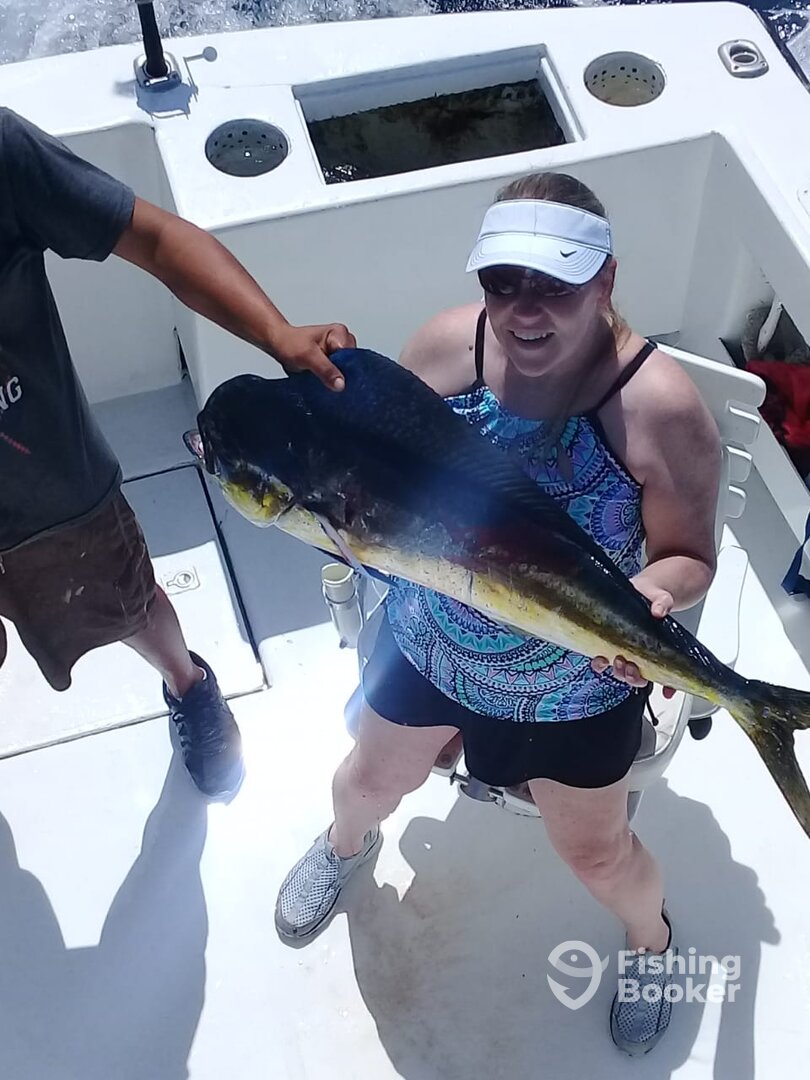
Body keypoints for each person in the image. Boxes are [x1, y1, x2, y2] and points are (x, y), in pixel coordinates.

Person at [273, 172, 722, 1055]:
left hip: (575, 682)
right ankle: (347, 847)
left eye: (556, 283)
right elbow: (377, 478)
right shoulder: (445, 348)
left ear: (606, 278)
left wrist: (655, 595)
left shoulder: (658, 407)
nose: (525, 308)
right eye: (503, 281)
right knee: (363, 785)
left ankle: (654, 942)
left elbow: (690, 555)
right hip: (430, 642)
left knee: (598, 857)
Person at [0, 107, 355, 801]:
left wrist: (276, 333)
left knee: (130, 603)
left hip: (54, 489)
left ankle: (188, 684)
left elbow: (157, 239)